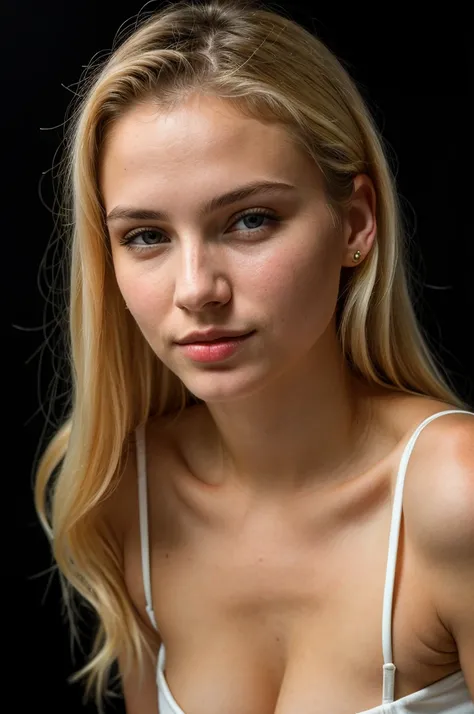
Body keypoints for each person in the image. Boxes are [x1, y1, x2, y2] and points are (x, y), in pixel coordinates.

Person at [34, 0, 474, 712]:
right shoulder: (131, 493)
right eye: (146, 235)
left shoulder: (456, 496)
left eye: (249, 220)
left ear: (355, 224)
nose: (196, 289)